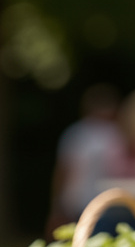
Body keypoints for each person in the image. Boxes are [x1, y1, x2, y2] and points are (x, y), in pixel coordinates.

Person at [47, 85, 125, 234]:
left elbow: (62, 172)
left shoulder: (76, 133)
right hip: (105, 202)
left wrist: (57, 205)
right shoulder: (116, 134)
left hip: (83, 202)